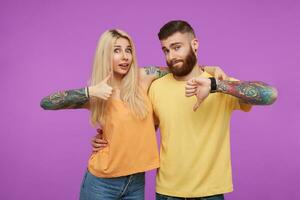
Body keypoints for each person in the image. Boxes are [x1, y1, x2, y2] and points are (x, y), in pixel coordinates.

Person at [92, 21, 278, 200]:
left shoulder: (220, 83)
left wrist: (215, 85)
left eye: (177, 47)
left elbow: (270, 94)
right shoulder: (156, 87)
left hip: (210, 193)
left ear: (194, 44)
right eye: (166, 50)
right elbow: (143, 130)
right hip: (167, 192)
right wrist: (109, 140)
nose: (171, 56)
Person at [40, 29, 226, 200]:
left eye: (128, 50)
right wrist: (90, 92)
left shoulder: (143, 77)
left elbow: (178, 66)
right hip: (102, 183)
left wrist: (209, 69)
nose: (125, 56)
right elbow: (47, 103)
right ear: (105, 55)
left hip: (136, 183)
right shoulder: (98, 93)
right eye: (117, 50)